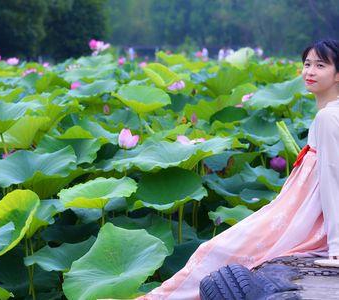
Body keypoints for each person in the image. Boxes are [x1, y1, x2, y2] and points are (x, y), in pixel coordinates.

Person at [138, 38, 339, 300]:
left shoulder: (329, 117)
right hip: (298, 211)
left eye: (320, 65)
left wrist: (335, 246)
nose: (309, 71)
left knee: (218, 249)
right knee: (219, 249)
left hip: (306, 217)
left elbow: (332, 177)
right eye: (307, 63)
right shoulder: (327, 113)